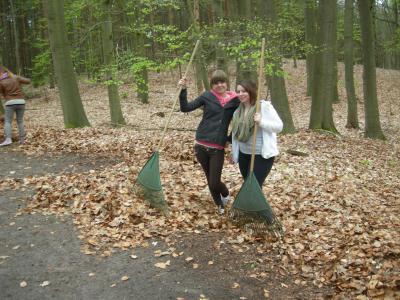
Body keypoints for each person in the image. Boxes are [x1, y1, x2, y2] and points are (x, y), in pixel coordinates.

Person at [178, 70, 239, 214]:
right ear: (212, 85)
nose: (219, 85)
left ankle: (225, 194)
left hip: (217, 147)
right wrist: (183, 89)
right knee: (209, 177)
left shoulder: (235, 100)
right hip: (201, 144)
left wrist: (229, 139)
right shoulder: (207, 96)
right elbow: (185, 107)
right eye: (216, 83)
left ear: (227, 82)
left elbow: (240, 123)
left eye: (222, 82)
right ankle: (219, 205)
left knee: (214, 181)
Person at [231, 80, 283, 187]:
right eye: (238, 91)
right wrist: (234, 153)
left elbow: (279, 127)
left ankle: (252, 204)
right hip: (243, 154)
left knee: (253, 186)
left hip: (261, 156)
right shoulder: (237, 111)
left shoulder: (263, 107)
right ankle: (252, 203)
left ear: (251, 91)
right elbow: (235, 134)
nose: (240, 94)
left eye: (244, 91)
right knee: (248, 185)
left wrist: (261, 122)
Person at [0, 66, 31, 146]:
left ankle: (8, 139)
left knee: (8, 121)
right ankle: (22, 140)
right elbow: (28, 81)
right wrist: (19, 80)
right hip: (21, 101)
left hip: (10, 102)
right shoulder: (15, 77)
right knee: (20, 121)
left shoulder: (1, 82)